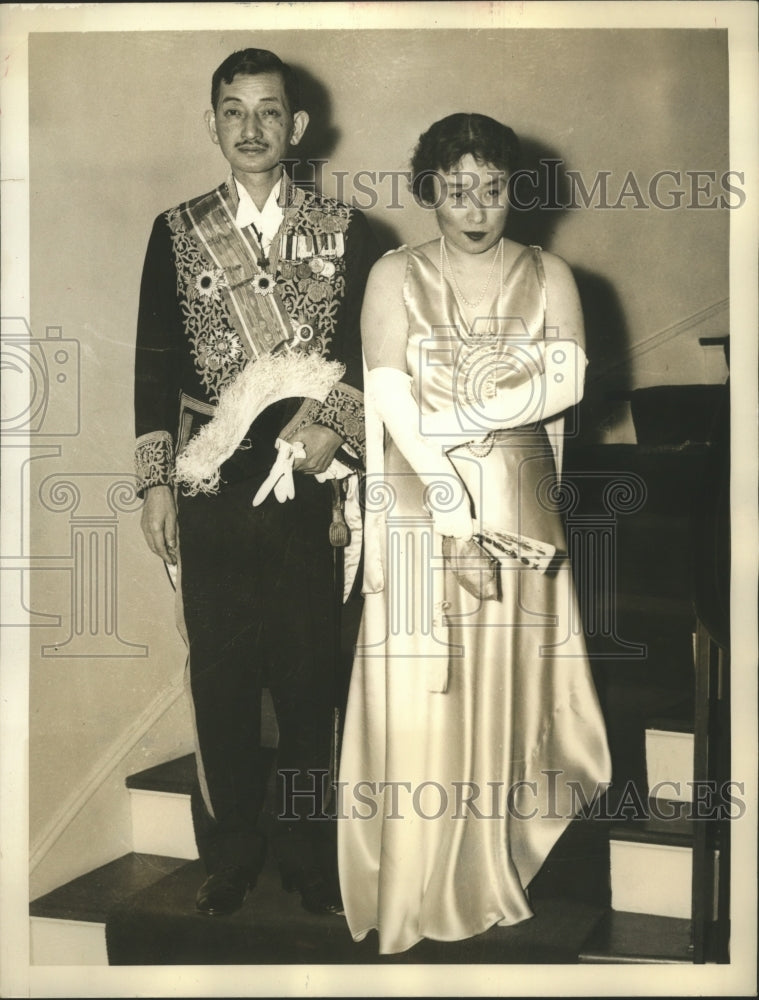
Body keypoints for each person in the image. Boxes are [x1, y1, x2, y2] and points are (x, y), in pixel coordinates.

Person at [337, 113, 612, 954]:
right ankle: (415, 883)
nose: (475, 207)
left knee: (499, 692)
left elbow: (564, 377)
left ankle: (485, 863)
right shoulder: (392, 275)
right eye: (456, 190)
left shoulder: (552, 273)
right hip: (424, 510)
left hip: (519, 506)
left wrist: (456, 409)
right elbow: (386, 397)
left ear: (511, 192)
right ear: (429, 192)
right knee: (427, 696)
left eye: (491, 189)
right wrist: (452, 501)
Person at [134, 48, 379, 917]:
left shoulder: (349, 233)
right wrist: (154, 483)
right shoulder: (174, 230)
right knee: (224, 680)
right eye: (232, 111)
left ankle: (313, 852)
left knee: (313, 676)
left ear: (297, 127)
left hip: (313, 483)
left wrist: (330, 431)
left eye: (268, 111)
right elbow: (153, 364)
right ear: (212, 124)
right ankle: (231, 850)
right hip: (210, 487)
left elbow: (368, 357)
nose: (250, 128)